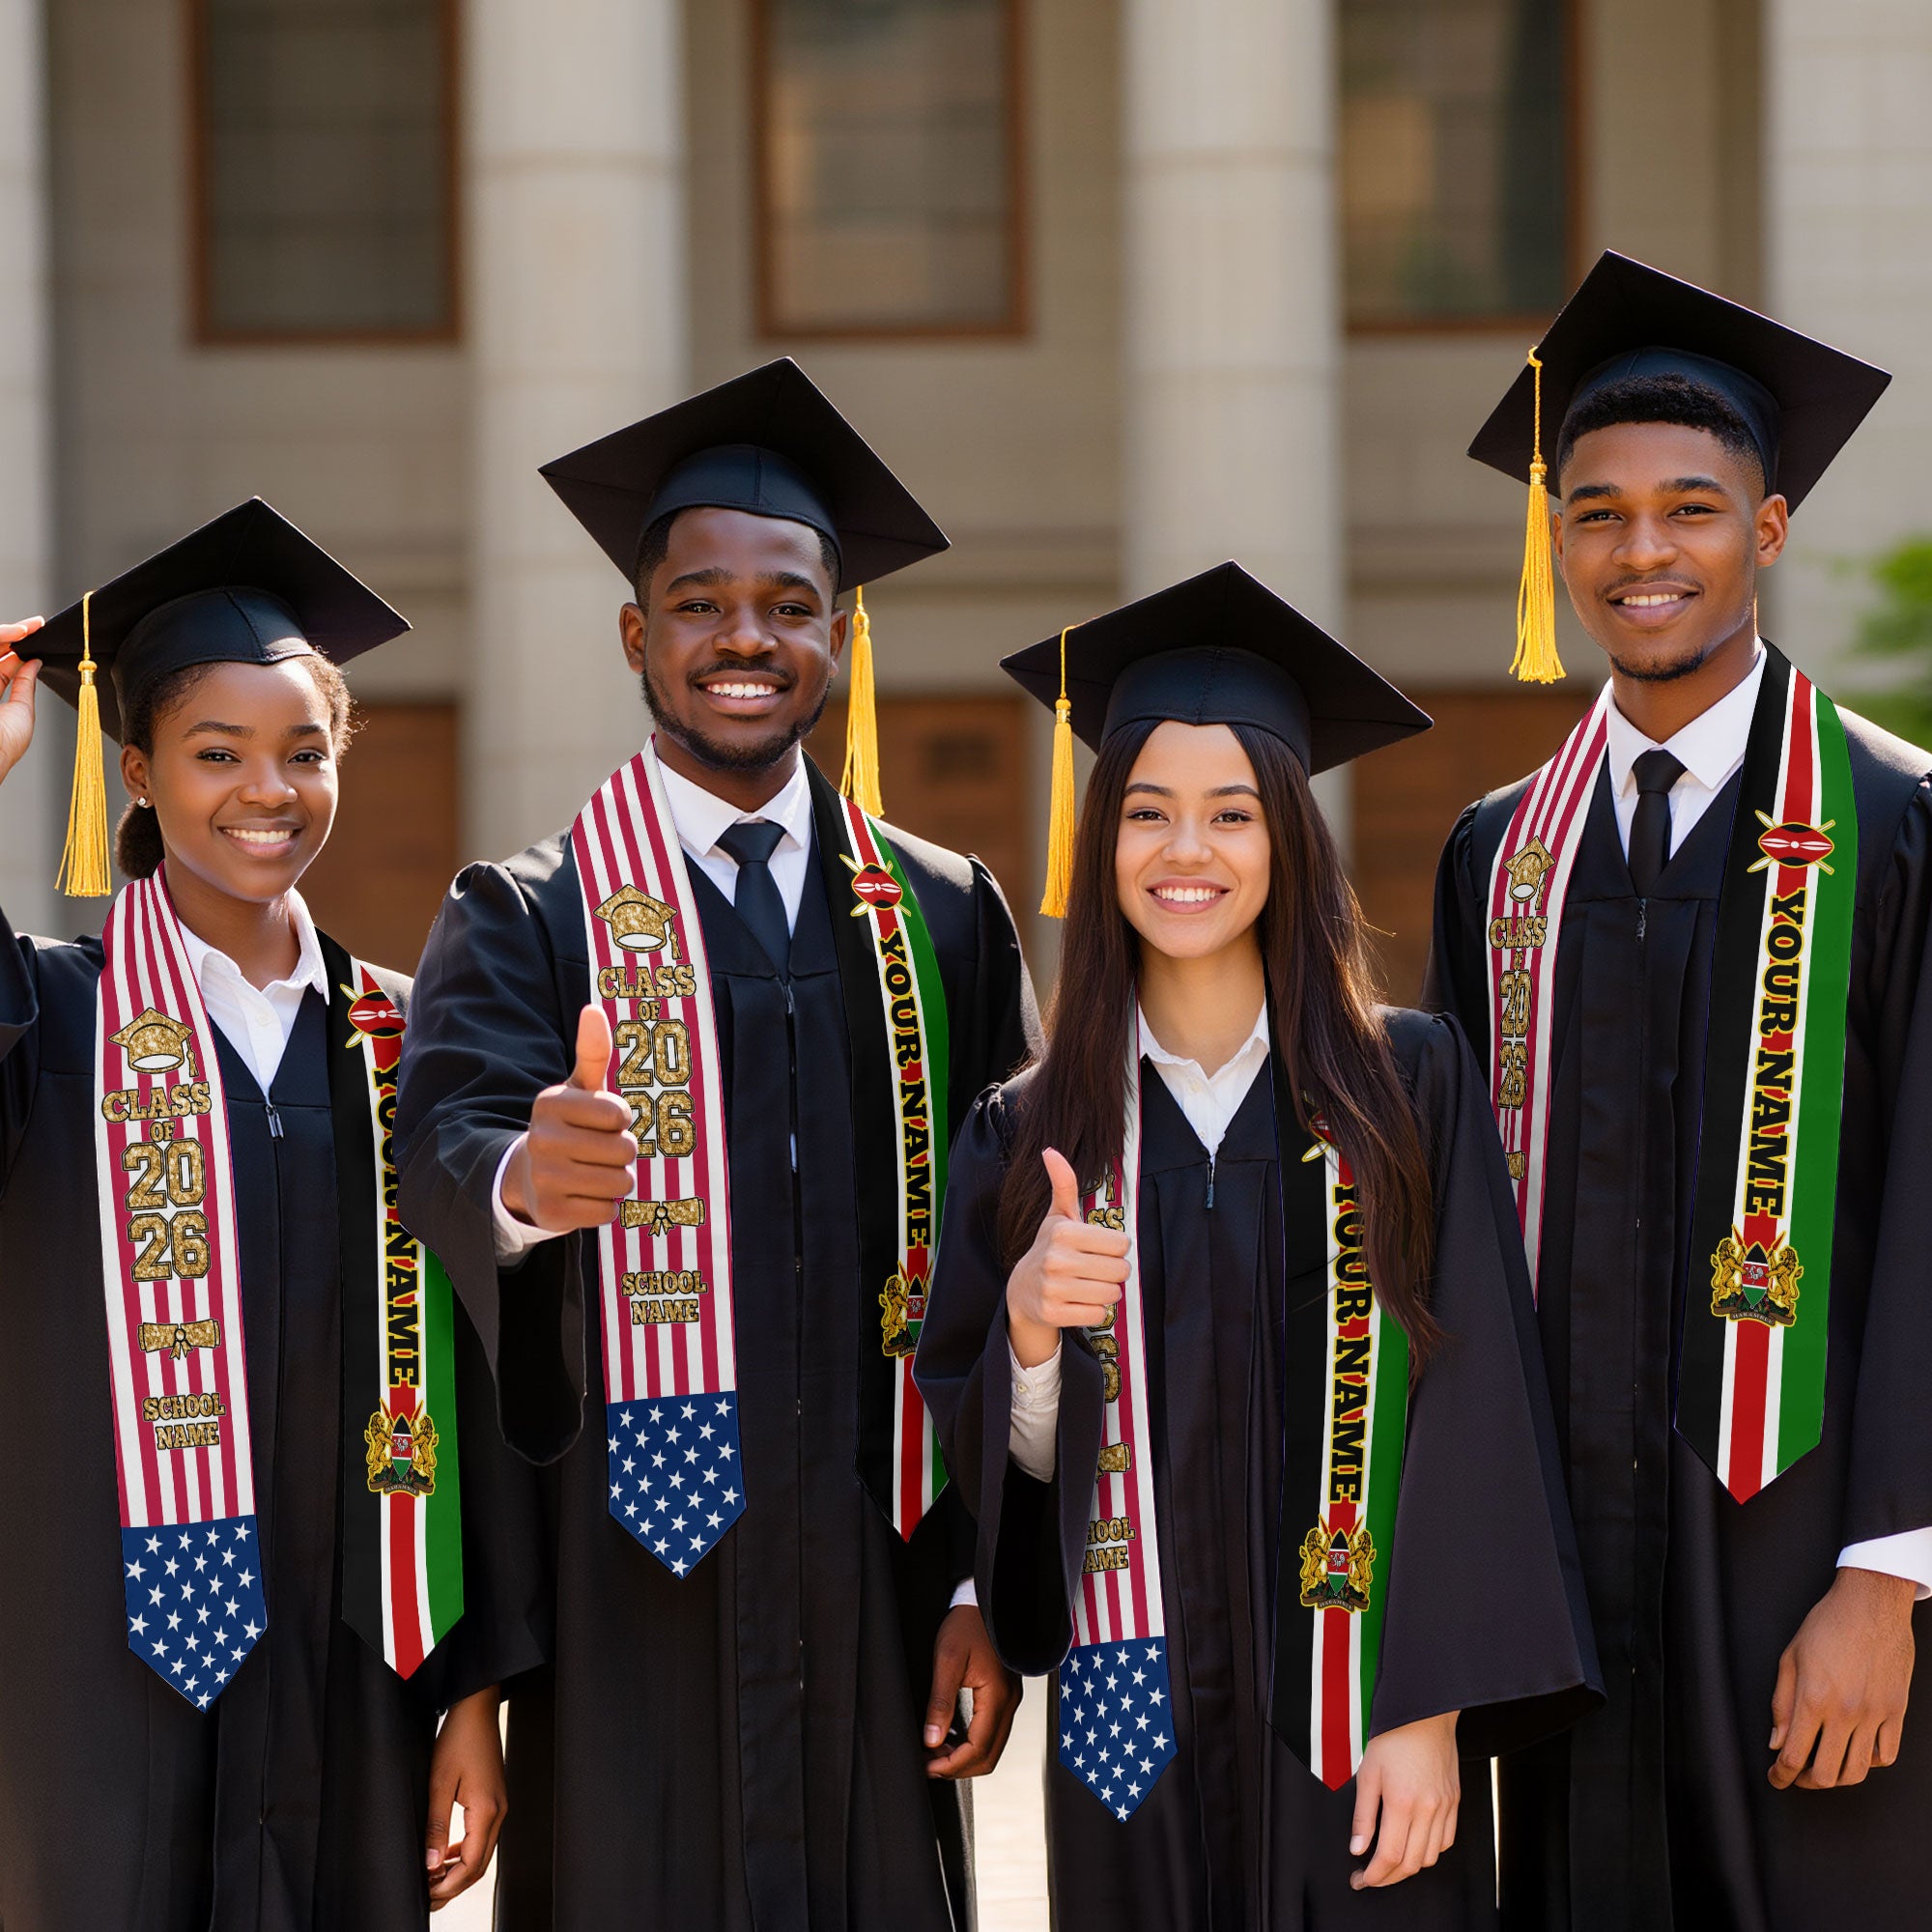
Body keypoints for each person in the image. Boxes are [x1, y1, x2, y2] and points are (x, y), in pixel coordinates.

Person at [393, 358, 1038, 1929]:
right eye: (698, 603)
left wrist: (980, 1588)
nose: (744, 638)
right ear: (638, 634)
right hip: (631, 1602)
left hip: (883, 1588)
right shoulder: (529, 915)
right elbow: (441, 1150)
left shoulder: (942, 915)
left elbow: (1014, 1254)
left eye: (788, 603)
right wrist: (524, 1183)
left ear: (840, 634)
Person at [916, 562, 1599, 1930]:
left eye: (1231, 815)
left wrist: (1429, 1707)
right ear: (1100, 841)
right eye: (1149, 813)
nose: (1188, 853)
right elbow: (995, 1475)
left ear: (1288, 839)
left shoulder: (1411, 1088)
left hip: (1362, 1732)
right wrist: (1033, 1341)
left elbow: (1476, 1407)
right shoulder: (1030, 1129)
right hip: (1131, 1741)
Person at [1426, 251, 1932, 1930]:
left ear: (1768, 531)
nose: (1643, 551)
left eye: (1692, 508)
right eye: (1598, 511)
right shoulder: (1501, 855)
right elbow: (1451, 1228)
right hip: (1565, 1566)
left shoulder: (1898, 825)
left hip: (1809, 1556)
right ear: (1554, 539)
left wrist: (1891, 1572)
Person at [0, 498, 545, 1931]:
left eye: (305, 753)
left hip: (352, 1671)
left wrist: (475, 1697)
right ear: (134, 771)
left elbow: (479, 1388)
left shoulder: (407, 1045)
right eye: (216, 754)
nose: (268, 790)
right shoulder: (52, 1020)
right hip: (89, 1685)